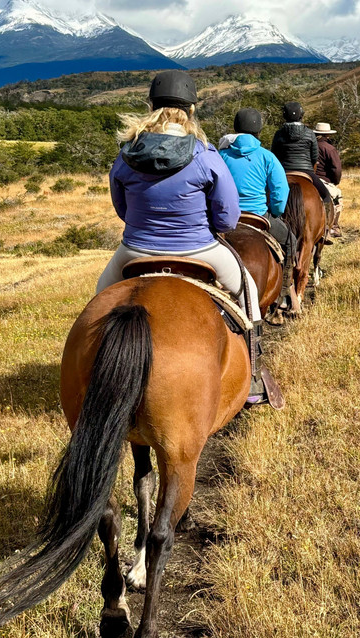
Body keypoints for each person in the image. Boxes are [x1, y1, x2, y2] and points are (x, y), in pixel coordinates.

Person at [96, 70, 277, 405]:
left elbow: (121, 209)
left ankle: (97, 368)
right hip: (200, 250)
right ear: (192, 110)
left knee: (98, 301)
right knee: (248, 292)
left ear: (150, 106)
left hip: (134, 250)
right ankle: (252, 377)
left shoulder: (125, 154)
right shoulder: (205, 155)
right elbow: (227, 216)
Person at [218, 107, 297, 274]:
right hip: (258, 214)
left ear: (236, 128)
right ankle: (284, 289)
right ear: (259, 130)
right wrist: (276, 211)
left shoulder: (221, 154)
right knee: (290, 241)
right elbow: (280, 191)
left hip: (227, 215)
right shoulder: (267, 156)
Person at [271, 102, 332, 203]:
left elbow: (274, 156)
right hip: (306, 171)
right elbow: (314, 157)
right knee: (326, 196)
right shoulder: (310, 133)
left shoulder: (279, 134)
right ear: (301, 115)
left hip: (284, 172)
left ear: (284, 116)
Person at [313, 122, 343, 237]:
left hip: (309, 176)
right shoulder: (329, 148)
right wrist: (335, 181)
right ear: (328, 135)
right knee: (338, 197)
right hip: (323, 180)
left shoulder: (310, 145)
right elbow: (336, 169)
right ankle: (333, 227)